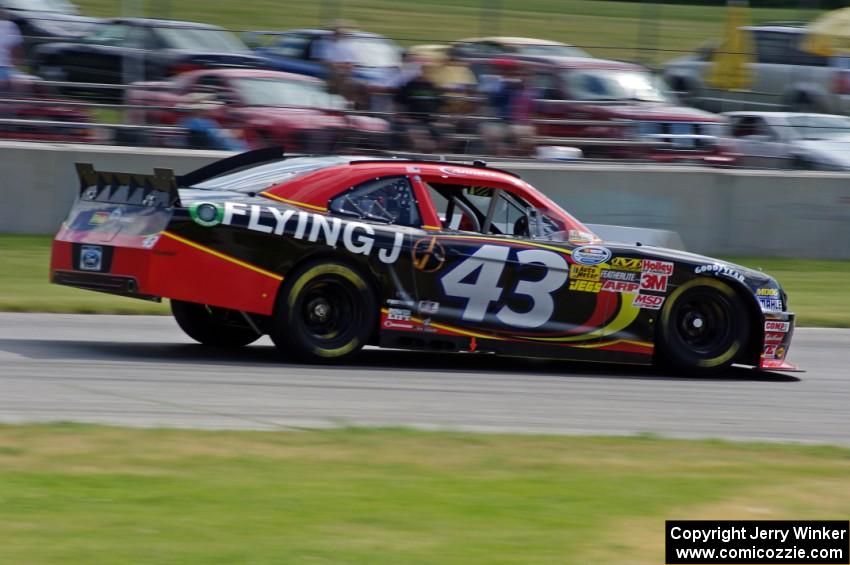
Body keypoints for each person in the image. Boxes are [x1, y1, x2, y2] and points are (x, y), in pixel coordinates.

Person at [479, 58, 539, 156]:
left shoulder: (518, 84)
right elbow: (491, 100)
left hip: (512, 122)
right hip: (493, 121)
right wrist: (503, 83)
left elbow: (530, 102)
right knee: (494, 135)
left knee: (524, 136)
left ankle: (519, 159)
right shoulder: (491, 80)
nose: (504, 71)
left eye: (508, 69)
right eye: (501, 68)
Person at [393, 57, 444, 153]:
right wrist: (402, 118)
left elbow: (440, 106)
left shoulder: (433, 87)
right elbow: (397, 106)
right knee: (420, 139)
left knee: (449, 136)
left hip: (431, 123)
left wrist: (440, 120)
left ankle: (428, 155)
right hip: (412, 122)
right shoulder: (409, 86)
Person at [0, 9, 22, 97]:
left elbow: (15, 51)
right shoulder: (10, 26)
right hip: (6, 70)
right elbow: (16, 52)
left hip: (5, 70)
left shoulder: (9, 26)